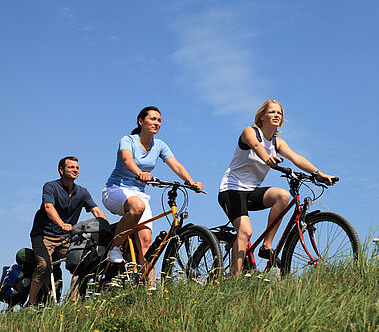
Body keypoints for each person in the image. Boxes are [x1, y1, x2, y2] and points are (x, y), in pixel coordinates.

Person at [218, 99, 337, 275]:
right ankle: (234, 283)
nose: (276, 115)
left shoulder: (277, 143)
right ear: (262, 116)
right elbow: (257, 145)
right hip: (232, 189)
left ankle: (267, 245)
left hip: (251, 191)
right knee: (245, 231)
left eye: (279, 113)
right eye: (272, 112)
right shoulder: (250, 132)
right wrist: (267, 158)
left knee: (283, 196)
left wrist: (318, 173)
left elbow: (296, 158)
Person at [103, 106, 203, 270]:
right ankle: (115, 248)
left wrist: (191, 182)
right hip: (116, 189)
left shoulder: (160, 145)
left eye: (159, 120)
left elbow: (176, 165)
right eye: (153, 119)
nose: (157, 123)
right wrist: (139, 173)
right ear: (141, 121)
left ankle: (148, 290)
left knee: (147, 242)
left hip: (139, 193)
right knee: (138, 207)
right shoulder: (128, 140)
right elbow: (127, 160)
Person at [28, 156, 107, 305]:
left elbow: (96, 210)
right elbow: (48, 207)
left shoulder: (82, 192)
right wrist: (61, 224)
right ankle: (31, 304)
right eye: (71, 167)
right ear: (61, 170)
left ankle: (73, 301)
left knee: (83, 262)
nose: (75, 170)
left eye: (77, 168)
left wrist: (105, 226)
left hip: (66, 237)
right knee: (44, 266)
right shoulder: (51, 187)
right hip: (44, 235)